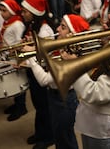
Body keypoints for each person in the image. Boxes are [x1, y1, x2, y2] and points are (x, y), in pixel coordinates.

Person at [59, 17, 110, 149]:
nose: (104, 36)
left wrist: (74, 64)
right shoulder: (108, 56)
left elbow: (94, 93)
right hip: (91, 122)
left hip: (103, 128)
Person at [24, 14, 85, 149]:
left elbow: (44, 80)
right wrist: (36, 49)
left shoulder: (69, 56)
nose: (57, 29)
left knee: (65, 140)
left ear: (71, 34)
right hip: (55, 97)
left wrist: (30, 57)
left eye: (63, 27)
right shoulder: (61, 49)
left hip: (64, 101)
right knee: (60, 137)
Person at [19, 0, 55, 149]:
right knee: (38, 105)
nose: (23, 13)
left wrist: (31, 49)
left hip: (41, 70)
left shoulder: (46, 29)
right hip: (34, 70)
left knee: (43, 106)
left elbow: (46, 51)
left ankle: (48, 137)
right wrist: (29, 43)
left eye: (25, 11)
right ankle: (40, 133)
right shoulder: (34, 25)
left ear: (34, 12)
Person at [0, 0, 27, 121]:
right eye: (0, 10)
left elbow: (20, 42)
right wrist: (1, 46)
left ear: (12, 11)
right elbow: (5, 38)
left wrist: (12, 49)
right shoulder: (8, 22)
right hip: (8, 55)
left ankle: (21, 107)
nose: (1, 13)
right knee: (13, 80)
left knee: (18, 82)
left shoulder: (17, 24)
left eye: (4, 10)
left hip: (15, 57)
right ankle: (16, 103)